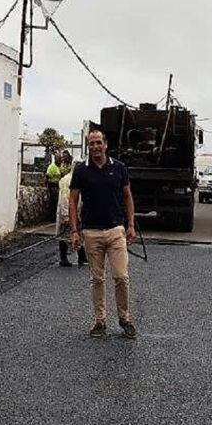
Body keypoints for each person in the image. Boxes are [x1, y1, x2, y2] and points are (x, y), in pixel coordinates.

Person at [69, 129, 137, 338]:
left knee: (121, 277)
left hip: (116, 230)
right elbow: (72, 200)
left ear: (106, 144)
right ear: (88, 146)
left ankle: (125, 319)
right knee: (97, 279)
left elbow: (127, 197)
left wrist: (131, 225)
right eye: (92, 143)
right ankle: (100, 321)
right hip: (91, 232)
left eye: (99, 142)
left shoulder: (119, 168)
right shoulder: (81, 170)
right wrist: (74, 230)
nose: (96, 147)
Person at [57, 152, 87, 267]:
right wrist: (66, 215)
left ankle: (81, 257)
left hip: (76, 212)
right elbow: (64, 198)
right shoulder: (67, 180)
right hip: (67, 213)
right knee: (64, 235)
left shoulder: (79, 180)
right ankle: (64, 258)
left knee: (78, 233)